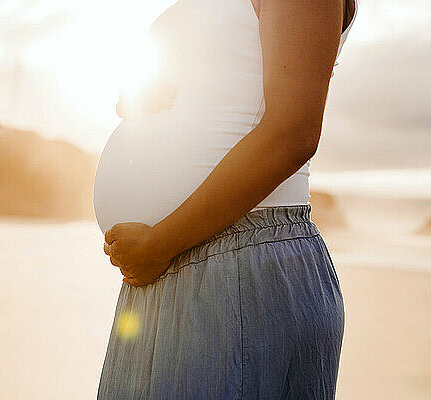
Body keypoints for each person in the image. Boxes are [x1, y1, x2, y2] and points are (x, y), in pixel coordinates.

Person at [96, 0, 358, 398]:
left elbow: (293, 132)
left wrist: (162, 243)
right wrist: (140, 96)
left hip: (237, 264)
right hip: (171, 267)